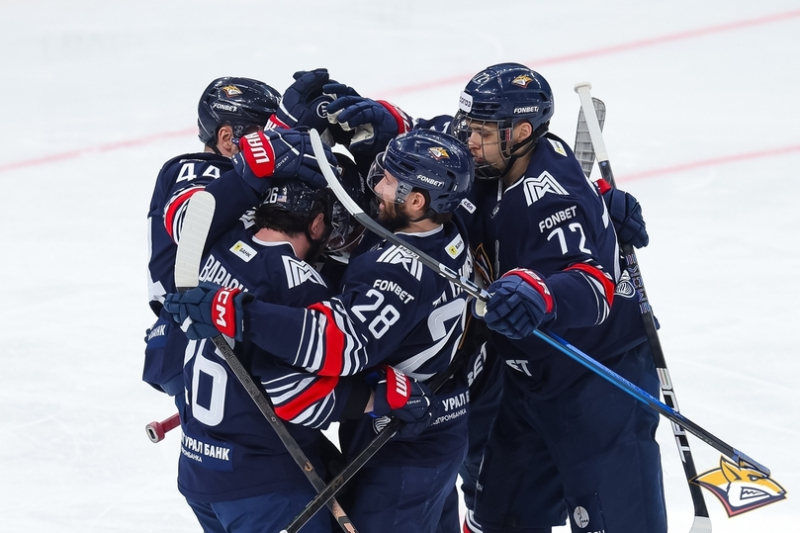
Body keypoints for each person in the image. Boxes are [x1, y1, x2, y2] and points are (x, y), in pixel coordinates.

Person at [164, 128, 476, 533]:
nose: (375, 189)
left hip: (201, 469)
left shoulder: (222, 246)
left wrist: (237, 313)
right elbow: (297, 394)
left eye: (388, 181)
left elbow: (339, 342)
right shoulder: (454, 228)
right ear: (316, 223)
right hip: (268, 482)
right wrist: (378, 396)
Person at [449, 63, 665, 533]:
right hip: (530, 380)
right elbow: (433, 138)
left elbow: (593, 285)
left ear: (521, 132)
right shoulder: (495, 159)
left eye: (481, 132)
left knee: (618, 524)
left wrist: (540, 293)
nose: (469, 141)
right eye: (469, 126)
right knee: (500, 520)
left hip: (600, 379)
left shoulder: (554, 197)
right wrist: (384, 120)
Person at [144, 76, 280, 405]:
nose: (276, 145)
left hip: (227, 330)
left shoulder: (252, 178)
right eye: (266, 135)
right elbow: (189, 223)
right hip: (192, 336)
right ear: (227, 138)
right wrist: (252, 175)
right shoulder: (195, 168)